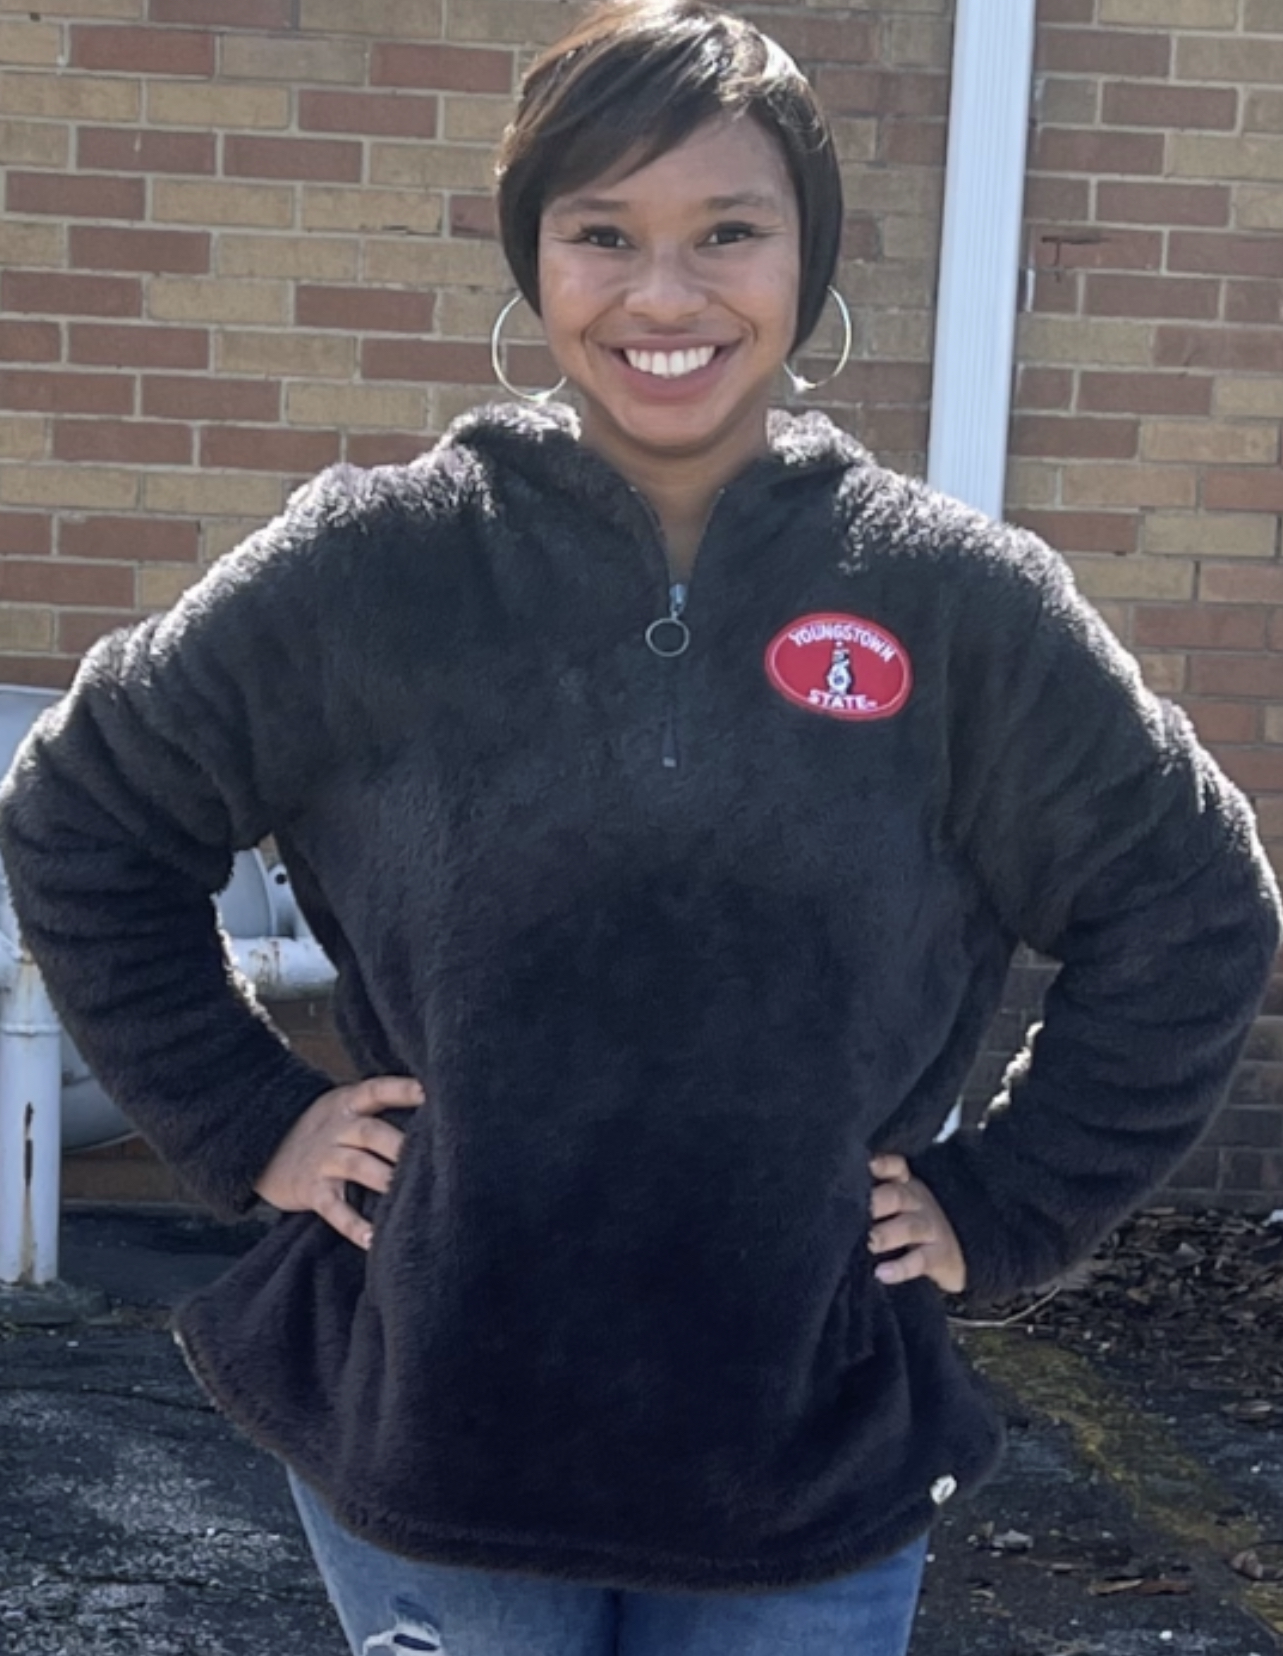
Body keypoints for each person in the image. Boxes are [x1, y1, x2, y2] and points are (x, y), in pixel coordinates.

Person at [1, 3, 1278, 1652]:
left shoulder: (955, 606)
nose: (662, 295)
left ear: (807, 256)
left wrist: (1010, 1197)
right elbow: (85, 811)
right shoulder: (377, 567)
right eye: (602, 233)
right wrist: (249, 1117)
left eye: (725, 234)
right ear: (534, 258)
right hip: (441, 1436)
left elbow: (1190, 909)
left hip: (799, 1458)